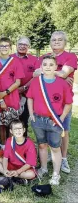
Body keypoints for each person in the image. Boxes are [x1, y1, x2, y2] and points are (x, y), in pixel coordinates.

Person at [35, 31, 77, 174]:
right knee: (44, 129)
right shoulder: (43, 57)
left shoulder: (70, 56)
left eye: (60, 40)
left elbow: (65, 73)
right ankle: (46, 157)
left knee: (63, 130)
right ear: (50, 42)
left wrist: (47, 71)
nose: (56, 42)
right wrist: (58, 74)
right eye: (54, 40)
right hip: (44, 101)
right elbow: (35, 73)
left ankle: (63, 158)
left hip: (62, 103)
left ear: (65, 42)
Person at [27, 55, 72, 185]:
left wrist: (61, 118)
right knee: (41, 145)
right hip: (38, 120)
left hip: (54, 121)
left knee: (55, 147)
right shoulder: (36, 81)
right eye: (45, 64)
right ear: (41, 67)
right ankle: (44, 168)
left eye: (51, 65)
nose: (47, 67)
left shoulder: (62, 83)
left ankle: (56, 174)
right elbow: (30, 97)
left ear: (56, 67)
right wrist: (31, 113)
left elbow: (68, 103)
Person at [0, 37, 24, 149]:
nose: (4, 48)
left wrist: (5, 93)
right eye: (2, 46)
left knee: (12, 123)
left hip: (12, 97)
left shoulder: (16, 62)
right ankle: (3, 145)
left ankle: (11, 146)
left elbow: (18, 82)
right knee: (1, 122)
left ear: (10, 47)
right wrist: (0, 98)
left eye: (6, 46)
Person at [0, 120, 37, 185]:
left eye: (20, 128)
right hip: (10, 164)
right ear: (11, 131)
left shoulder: (30, 144)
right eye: (15, 129)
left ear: (24, 130)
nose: (18, 131)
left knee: (31, 174)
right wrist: (5, 169)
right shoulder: (9, 140)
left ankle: (7, 173)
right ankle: (8, 174)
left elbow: (28, 164)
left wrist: (17, 172)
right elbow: (5, 158)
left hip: (23, 167)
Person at [11, 37, 39, 136]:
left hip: (27, 95)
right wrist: (14, 88)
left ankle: (23, 142)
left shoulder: (34, 60)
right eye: (20, 44)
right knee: (11, 120)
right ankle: (9, 144)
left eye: (25, 45)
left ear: (29, 47)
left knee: (23, 120)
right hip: (11, 94)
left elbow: (36, 77)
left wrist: (24, 88)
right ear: (16, 45)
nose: (22, 46)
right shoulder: (9, 58)